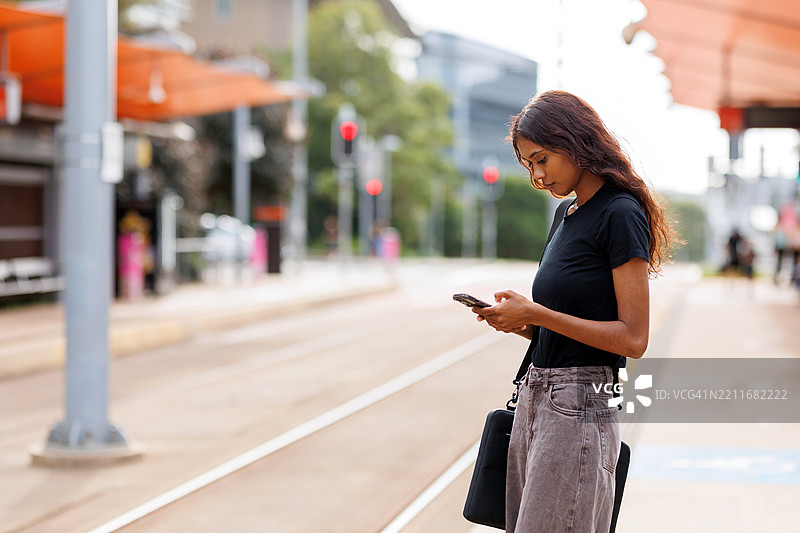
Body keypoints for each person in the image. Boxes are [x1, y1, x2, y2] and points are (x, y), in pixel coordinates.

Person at [472, 90, 676, 533]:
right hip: (536, 400)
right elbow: (569, 329)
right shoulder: (566, 214)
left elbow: (633, 339)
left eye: (542, 159)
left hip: (580, 408)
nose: (537, 176)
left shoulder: (620, 213)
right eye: (528, 165)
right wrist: (522, 324)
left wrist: (540, 315)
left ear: (577, 142)